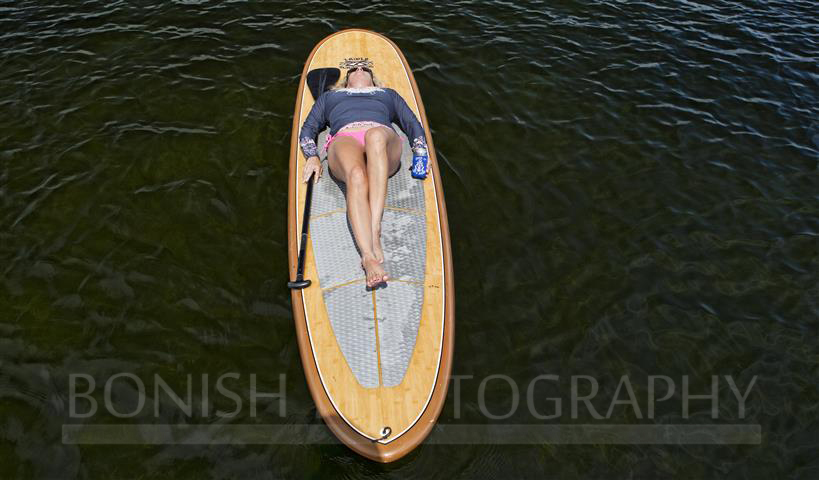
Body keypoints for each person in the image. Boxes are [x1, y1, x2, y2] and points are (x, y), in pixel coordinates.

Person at [298, 65, 428, 288]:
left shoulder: (387, 94)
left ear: (373, 80)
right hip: (345, 138)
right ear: (346, 80)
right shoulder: (330, 96)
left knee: (375, 135)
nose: (359, 68)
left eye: (364, 67)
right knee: (356, 175)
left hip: (382, 142)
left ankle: (374, 228)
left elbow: (412, 124)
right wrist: (312, 155)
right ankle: (368, 256)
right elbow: (309, 128)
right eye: (354, 69)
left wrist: (420, 152)